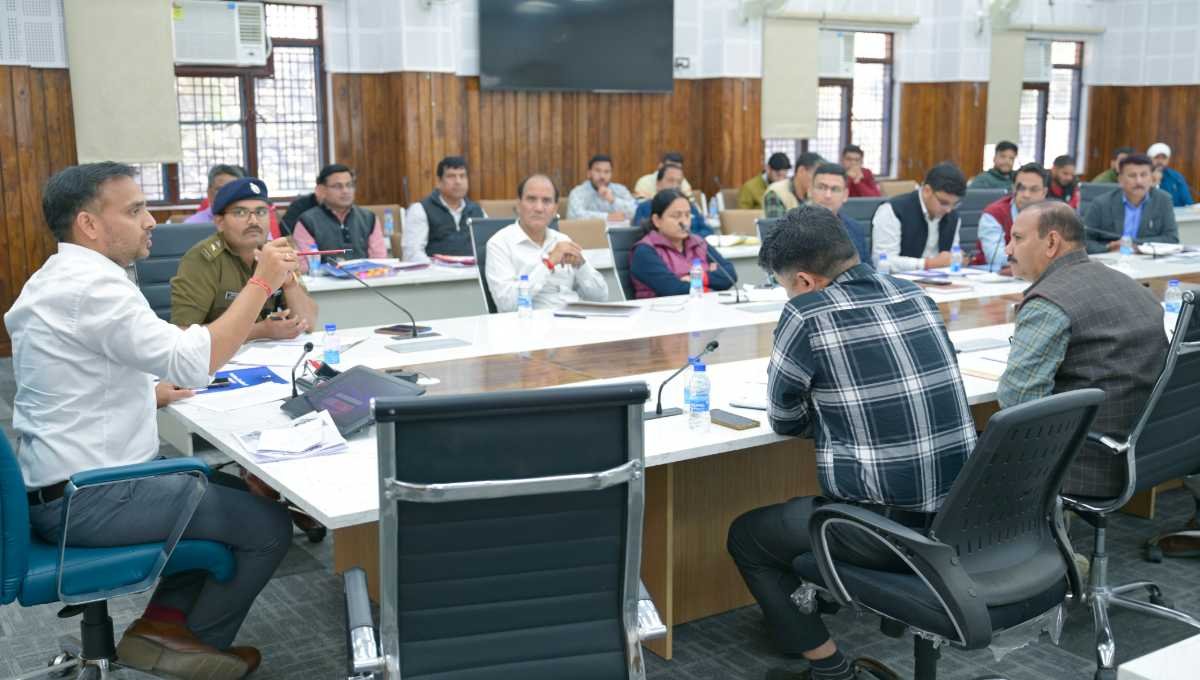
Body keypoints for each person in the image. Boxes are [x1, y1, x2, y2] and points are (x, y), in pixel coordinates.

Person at [5, 162, 297, 679]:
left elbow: (83, 370)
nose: (150, 221)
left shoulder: (60, 277)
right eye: (135, 209)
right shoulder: (92, 287)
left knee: (233, 492)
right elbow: (192, 360)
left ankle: (161, 629)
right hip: (90, 498)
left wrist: (147, 391)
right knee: (268, 524)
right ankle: (190, 652)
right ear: (89, 224)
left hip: (66, 483)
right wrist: (261, 281)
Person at [727, 204, 976, 680]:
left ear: (804, 281)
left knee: (747, 536)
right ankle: (816, 607)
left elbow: (784, 419)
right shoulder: (915, 294)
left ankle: (830, 668)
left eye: (784, 285)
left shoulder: (806, 314)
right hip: (960, 517)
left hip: (883, 530)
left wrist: (832, 416)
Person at [998, 201, 1165, 497]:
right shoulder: (1131, 287)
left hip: (1082, 465)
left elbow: (1018, 401)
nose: (1008, 249)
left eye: (1017, 238)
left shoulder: (1048, 302)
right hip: (1144, 455)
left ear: (1051, 242)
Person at [171, 177, 318, 338]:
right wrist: (260, 331)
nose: (253, 221)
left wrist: (290, 284)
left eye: (261, 212)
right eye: (240, 212)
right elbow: (182, 333)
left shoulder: (276, 254)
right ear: (220, 222)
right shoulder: (202, 259)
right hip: (220, 353)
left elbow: (308, 324)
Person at [487, 174, 609, 311]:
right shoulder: (499, 244)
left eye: (546, 201)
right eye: (531, 199)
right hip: (532, 321)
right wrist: (548, 264)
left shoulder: (563, 240)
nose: (539, 208)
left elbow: (601, 298)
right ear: (519, 204)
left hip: (576, 317)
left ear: (555, 209)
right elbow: (507, 305)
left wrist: (581, 265)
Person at [629, 189, 736, 298]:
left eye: (688, 215)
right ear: (657, 220)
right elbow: (673, 289)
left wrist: (699, 278)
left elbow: (729, 274)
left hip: (702, 305)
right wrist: (712, 285)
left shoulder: (698, 242)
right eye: (676, 216)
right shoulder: (644, 251)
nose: (684, 222)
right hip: (665, 307)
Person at [871, 162, 967, 272]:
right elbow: (883, 260)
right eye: (943, 203)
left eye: (954, 204)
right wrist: (928, 264)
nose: (949, 210)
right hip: (899, 280)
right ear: (927, 191)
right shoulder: (892, 210)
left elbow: (951, 254)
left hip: (940, 279)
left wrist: (958, 258)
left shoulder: (953, 216)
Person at [293, 163, 386, 270]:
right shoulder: (307, 221)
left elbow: (379, 259)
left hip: (365, 277)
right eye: (338, 186)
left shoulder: (369, 218)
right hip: (324, 279)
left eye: (349, 185)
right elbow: (306, 266)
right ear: (321, 190)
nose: (345, 191)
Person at [1082, 153, 1178, 253]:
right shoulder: (1101, 203)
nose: (1139, 181)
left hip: (1146, 258)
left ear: (1151, 178)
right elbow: (1082, 241)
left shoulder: (1163, 200)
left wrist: (1132, 244)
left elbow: (1172, 239)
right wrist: (1108, 247)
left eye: (1144, 175)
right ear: (1120, 179)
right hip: (1111, 257)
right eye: (1132, 175)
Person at [402, 155, 486, 262]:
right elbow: (412, 254)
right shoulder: (420, 210)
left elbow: (489, 246)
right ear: (439, 182)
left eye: (462, 176)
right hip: (435, 271)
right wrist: (436, 269)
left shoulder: (478, 210)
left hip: (473, 270)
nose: (458, 181)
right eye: (451, 176)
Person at [974, 163, 1049, 270]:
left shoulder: (1052, 216)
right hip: (995, 276)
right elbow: (996, 258)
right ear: (1014, 189)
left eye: (1034, 189)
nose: (1026, 195)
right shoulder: (994, 214)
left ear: (1044, 193)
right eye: (1021, 188)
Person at [186, 165, 283, 239]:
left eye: (232, 190)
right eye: (220, 189)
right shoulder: (191, 225)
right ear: (209, 192)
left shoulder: (255, 220)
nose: (227, 195)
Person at [807, 163, 871, 265]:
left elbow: (867, 269)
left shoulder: (855, 228)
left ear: (845, 195)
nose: (828, 195)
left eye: (835, 189)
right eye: (821, 187)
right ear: (810, 190)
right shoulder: (792, 228)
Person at [631, 162, 710, 236]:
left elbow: (707, 230)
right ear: (658, 184)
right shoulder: (645, 207)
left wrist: (690, 240)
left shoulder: (689, 206)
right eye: (670, 181)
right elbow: (640, 234)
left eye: (679, 182)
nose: (675, 186)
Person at [566, 154, 637, 221]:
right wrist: (607, 217)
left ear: (611, 174)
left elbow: (636, 212)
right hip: (590, 230)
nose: (602, 176)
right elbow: (573, 216)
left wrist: (613, 200)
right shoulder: (578, 192)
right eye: (598, 171)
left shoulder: (620, 190)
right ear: (589, 173)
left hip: (619, 230)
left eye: (607, 172)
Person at [763, 151, 823, 218]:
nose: (818, 180)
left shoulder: (813, 194)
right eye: (815, 175)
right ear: (801, 170)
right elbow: (776, 223)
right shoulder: (776, 192)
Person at [1147, 142, 1195, 207]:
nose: (1160, 161)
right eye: (1156, 157)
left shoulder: (1176, 177)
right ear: (1149, 159)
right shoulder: (1142, 176)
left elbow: (1188, 202)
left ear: (1168, 160)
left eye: (1164, 158)